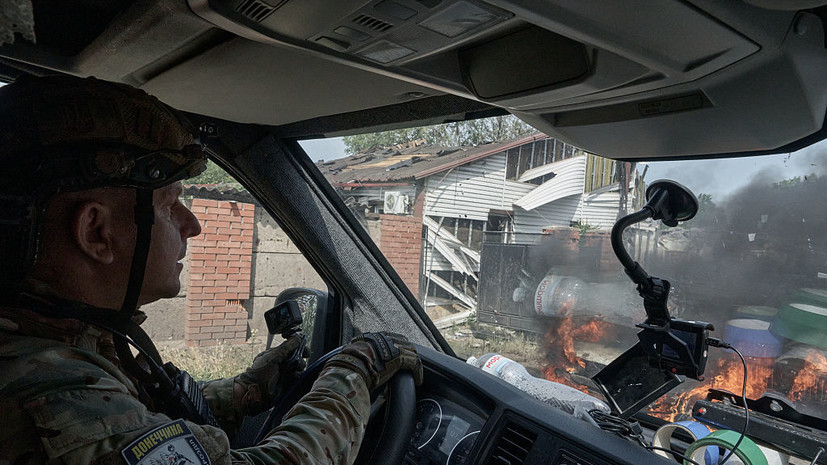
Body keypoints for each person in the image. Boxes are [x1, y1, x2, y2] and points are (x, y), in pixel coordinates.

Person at [0, 75, 423, 464]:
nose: (193, 224)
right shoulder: (49, 394)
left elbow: (143, 422)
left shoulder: (64, 341)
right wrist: (353, 373)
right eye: (168, 206)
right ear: (96, 232)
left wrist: (245, 393)